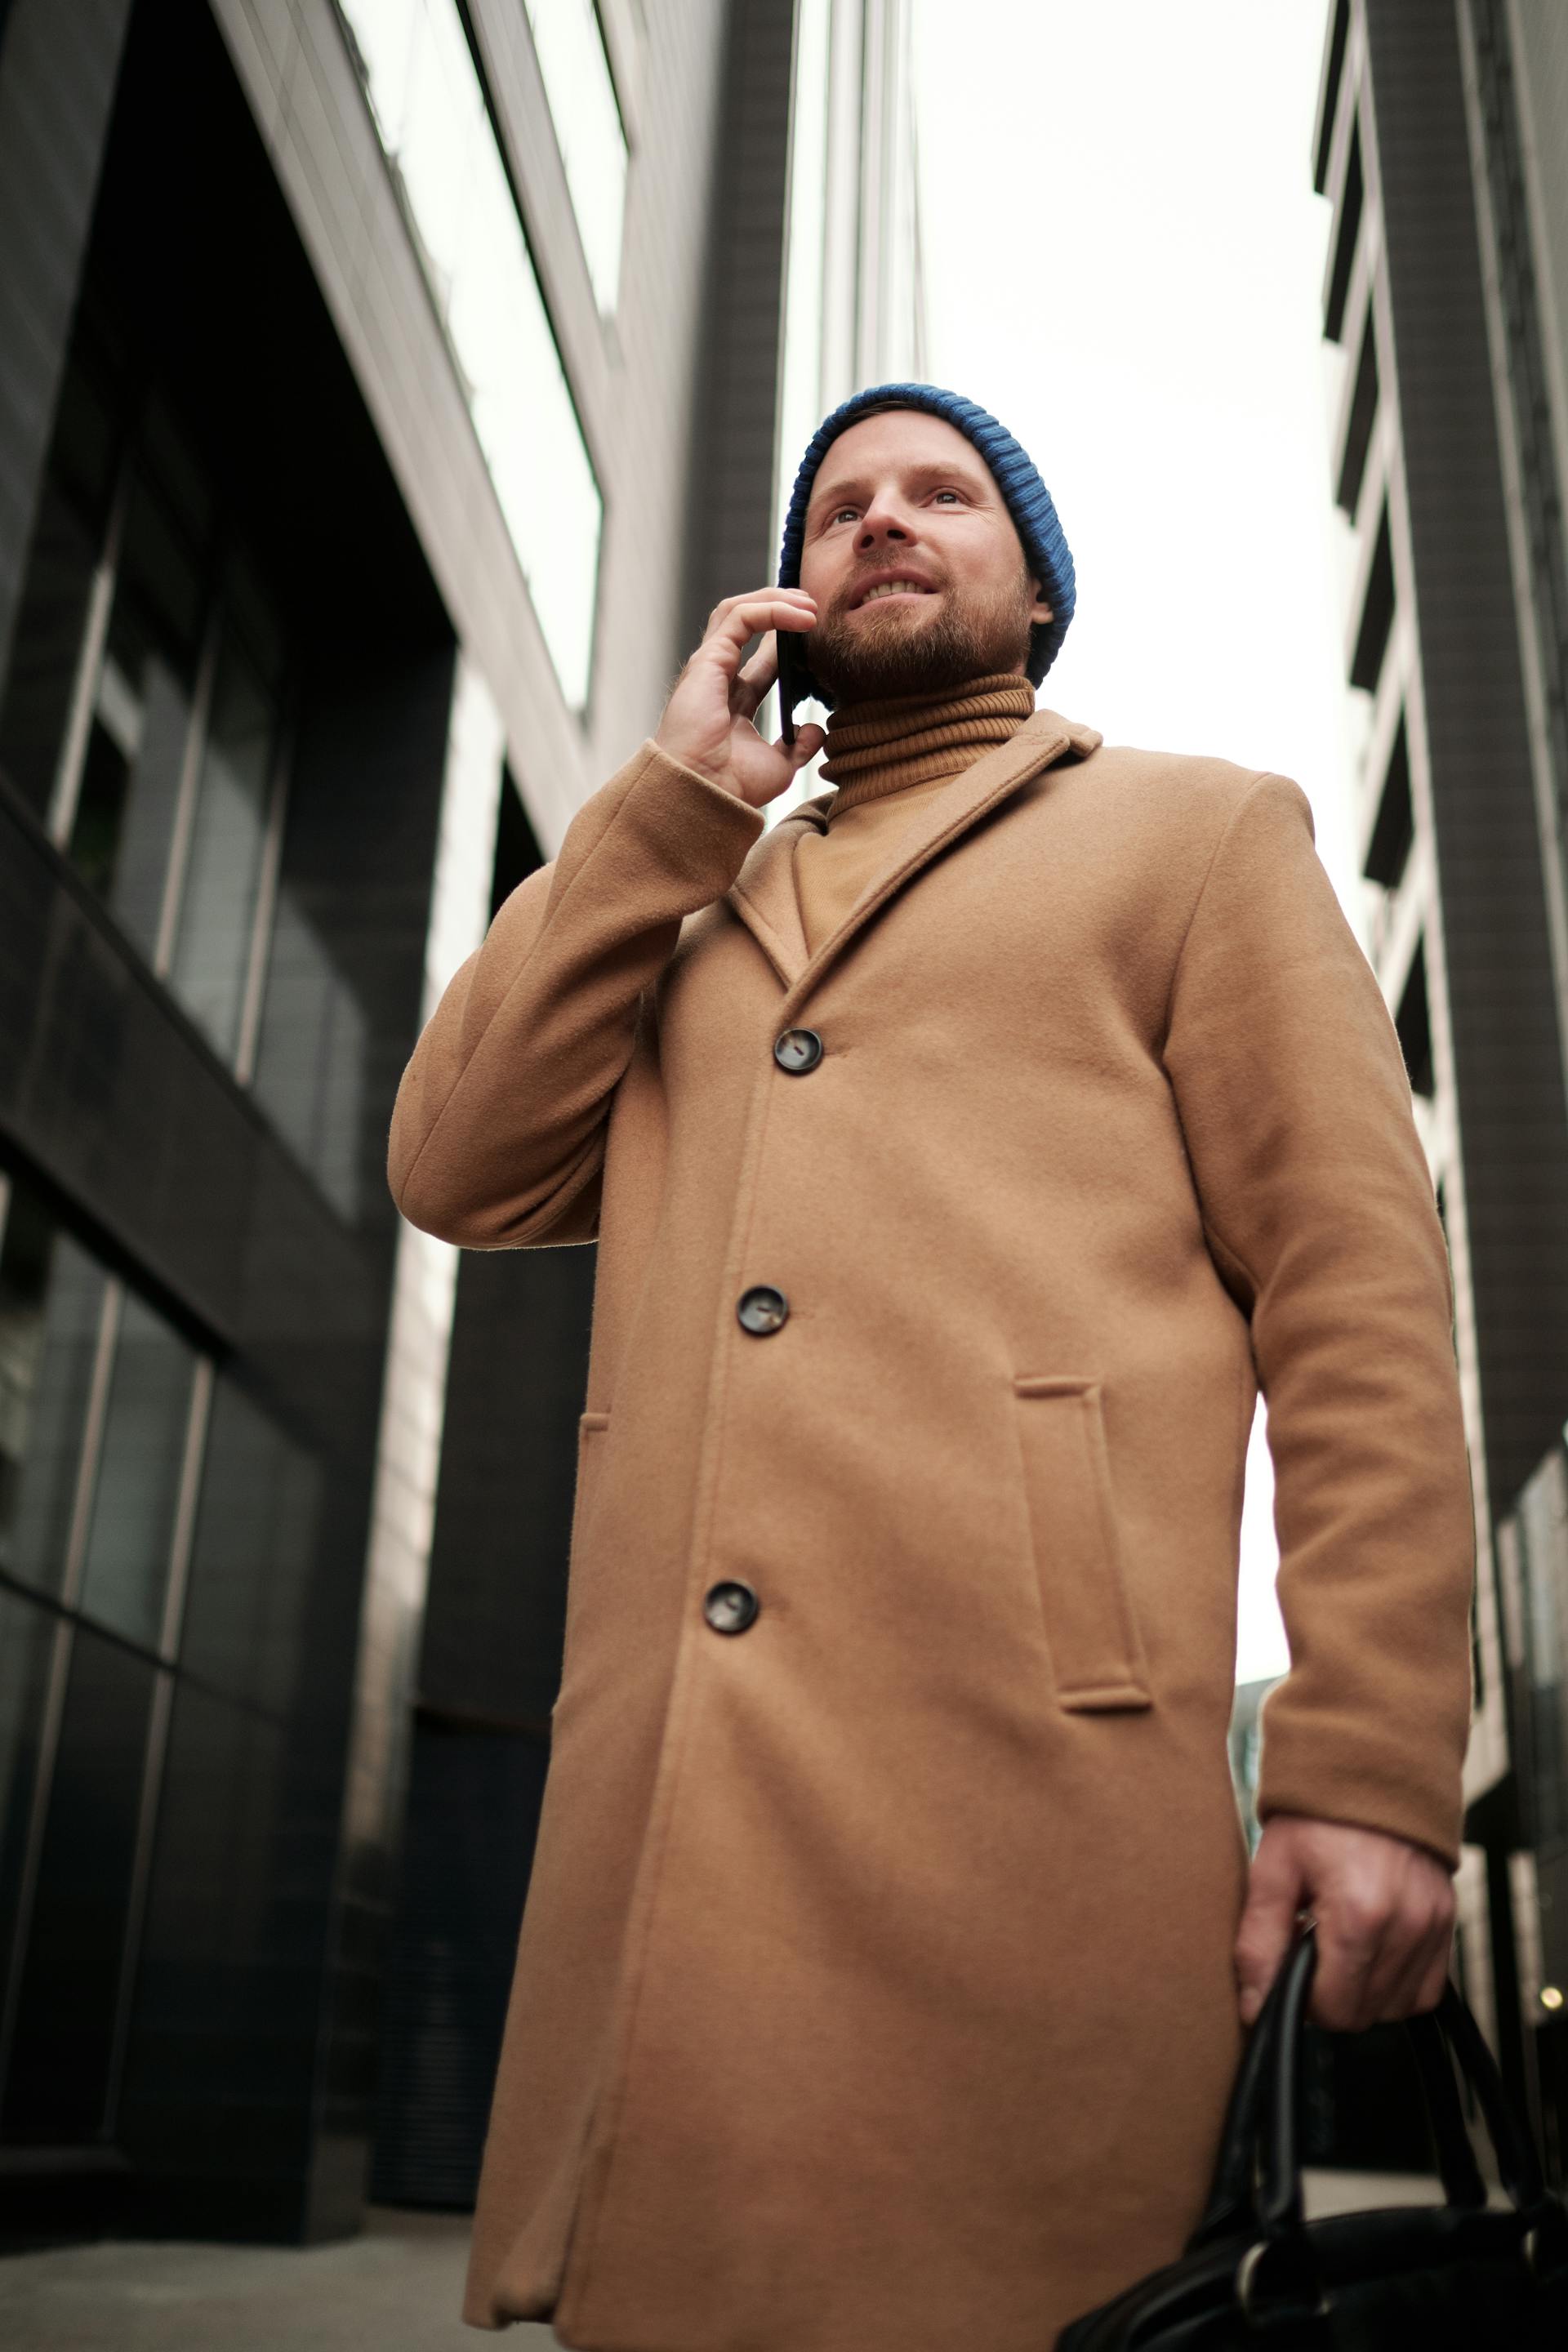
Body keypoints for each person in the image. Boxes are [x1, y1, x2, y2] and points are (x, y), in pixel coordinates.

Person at [388, 383, 1474, 2349]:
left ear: (1034, 588)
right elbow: (454, 1163)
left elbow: (1359, 1296)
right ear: (787, 597)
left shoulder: (1202, 835)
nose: (883, 522)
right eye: (839, 507)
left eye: (943, 496)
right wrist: (668, 807)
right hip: (680, 1841)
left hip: (1027, 1799)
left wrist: (1373, 1761)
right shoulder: (679, 886)